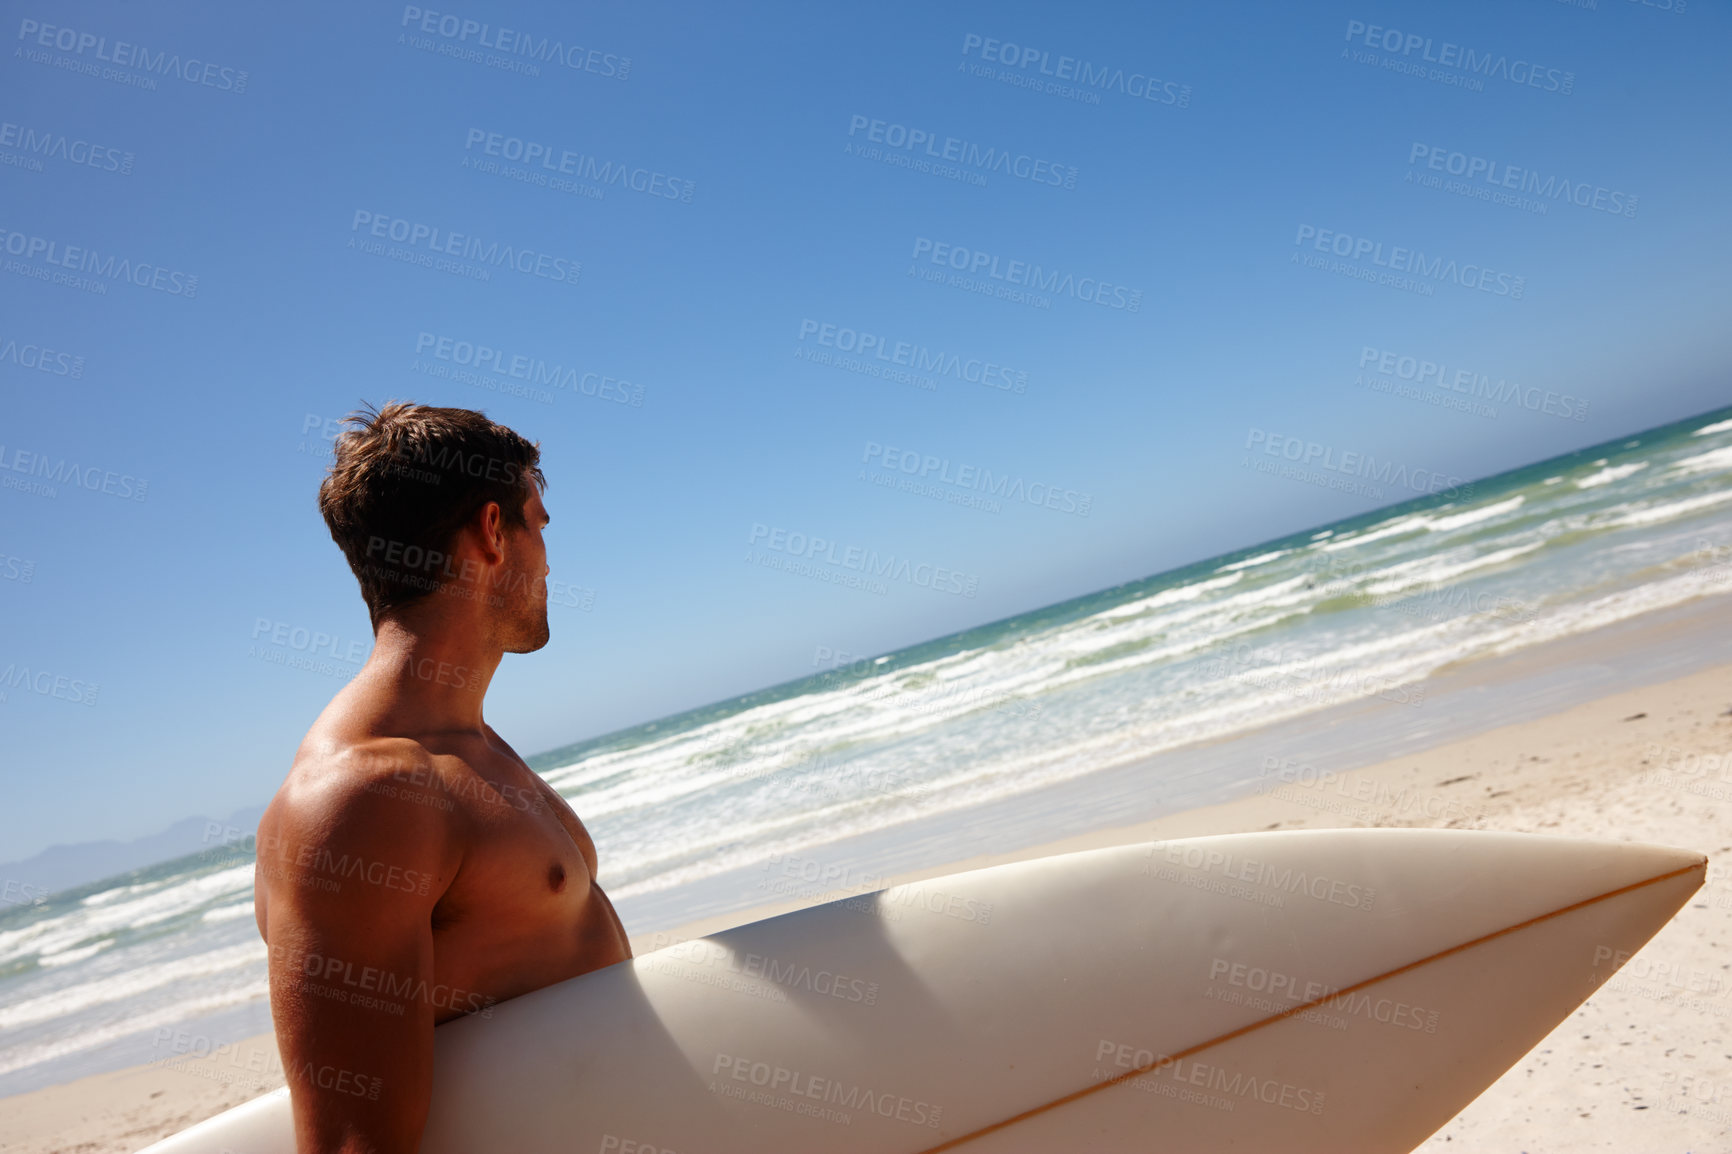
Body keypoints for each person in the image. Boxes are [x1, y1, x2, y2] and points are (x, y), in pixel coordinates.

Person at [253, 401, 630, 1153]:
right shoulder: (367, 796)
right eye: (541, 527)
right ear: (494, 532)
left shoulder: (467, 746)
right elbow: (352, 1143)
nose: (550, 562)